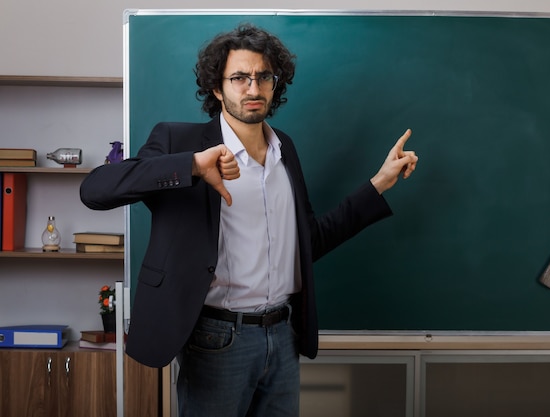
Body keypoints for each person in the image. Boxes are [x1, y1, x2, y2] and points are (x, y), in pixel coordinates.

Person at [80, 23, 418, 417]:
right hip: (215, 338)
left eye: (263, 77)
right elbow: (96, 190)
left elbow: (309, 241)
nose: (253, 89)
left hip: (283, 334)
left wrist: (378, 184)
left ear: (276, 85)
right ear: (217, 88)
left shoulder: (284, 150)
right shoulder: (179, 142)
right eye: (239, 77)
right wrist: (190, 166)